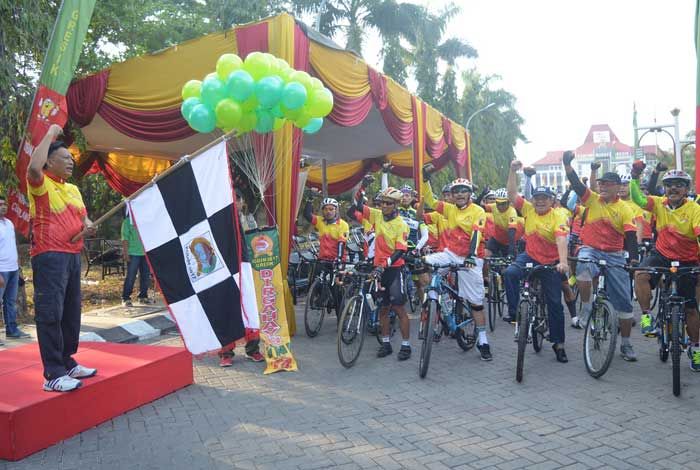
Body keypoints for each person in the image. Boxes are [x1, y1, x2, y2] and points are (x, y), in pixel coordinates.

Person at [28, 124, 97, 392]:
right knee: (50, 314)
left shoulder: (73, 190)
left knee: (71, 313)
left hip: (72, 255)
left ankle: (67, 362)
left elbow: (84, 217)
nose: (71, 162)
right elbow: (34, 167)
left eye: (71, 159)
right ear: (49, 161)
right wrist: (49, 134)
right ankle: (53, 374)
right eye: (65, 158)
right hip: (49, 256)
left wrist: (89, 225)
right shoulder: (40, 182)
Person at [562, 151, 639, 362]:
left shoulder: (624, 209)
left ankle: (626, 344)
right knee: (584, 266)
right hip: (591, 248)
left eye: (607, 184)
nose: (602, 186)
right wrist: (567, 165)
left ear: (616, 187)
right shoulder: (592, 200)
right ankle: (586, 308)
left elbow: (631, 235)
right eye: (601, 183)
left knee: (624, 304)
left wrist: (633, 259)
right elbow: (577, 185)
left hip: (615, 254)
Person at [630, 163, 700, 371]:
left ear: (686, 190)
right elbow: (639, 199)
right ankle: (646, 317)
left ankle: (696, 349)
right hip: (662, 255)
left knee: (691, 310)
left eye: (679, 185)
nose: (673, 189)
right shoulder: (659, 203)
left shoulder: (695, 209)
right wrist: (635, 177)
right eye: (669, 185)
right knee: (640, 274)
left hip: (687, 259)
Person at [505, 161, 570, 363]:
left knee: (555, 305)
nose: (540, 201)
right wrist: (512, 171)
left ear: (551, 201)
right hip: (530, 257)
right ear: (533, 200)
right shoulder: (528, 210)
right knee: (509, 273)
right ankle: (516, 313)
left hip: (551, 262)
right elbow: (511, 195)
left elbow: (561, 238)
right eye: (537, 198)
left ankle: (559, 344)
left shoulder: (558, 215)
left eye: (544, 198)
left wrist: (563, 262)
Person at [422, 177, 492, 361]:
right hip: (450, 253)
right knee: (423, 264)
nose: (460, 194)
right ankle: (441, 301)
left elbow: (476, 233)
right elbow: (429, 199)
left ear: (470, 194)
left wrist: (470, 255)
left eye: (463, 190)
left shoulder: (478, 211)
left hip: (472, 257)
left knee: (476, 303)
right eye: (456, 191)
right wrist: (425, 178)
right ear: (452, 195)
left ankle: (483, 341)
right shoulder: (449, 208)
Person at [350, 187, 411, 360]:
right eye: (382, 202)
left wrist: (383, 265)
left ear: (396, 205)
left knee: (398, 308)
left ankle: (406, 345)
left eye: (388, 203)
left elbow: (400, 251)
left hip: (393, 268)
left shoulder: (401, 224)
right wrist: (362, 187)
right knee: (383, 308)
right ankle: (385, 343)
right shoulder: (377, 215)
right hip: (378, 268)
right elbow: (356, 206)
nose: (384, 205)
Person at [219, 189, 264, 367]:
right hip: (226, 269)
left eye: (238, 200)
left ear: (241, 202)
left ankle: (253, 349)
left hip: (245, 266)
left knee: (250, 308)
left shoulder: (248, 218)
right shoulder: (219, 221)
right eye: (232, 199)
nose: (235, 203)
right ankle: (225, 352)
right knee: (227, 309)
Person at [0, 194, 28, 341]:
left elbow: (13, 246)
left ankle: (11, 330)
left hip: (13, 269)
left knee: (10, 301)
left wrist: (18, 267)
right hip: (1, 269)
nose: (3, 207)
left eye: (4, 204)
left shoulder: (9, 223)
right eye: (0, 205)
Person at [121, 208, 151, 307]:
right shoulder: (127, 222)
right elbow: (124, 239)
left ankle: (143, 296)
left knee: (145, 276)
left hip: (145, 253)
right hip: (133, 253)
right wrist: (126, 253)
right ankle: (126, 298)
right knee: (131, 276)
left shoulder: (144, 221)